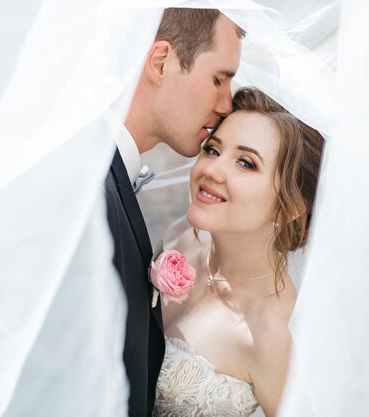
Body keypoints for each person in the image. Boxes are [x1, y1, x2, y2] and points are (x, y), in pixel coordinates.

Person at [104, 8, 245, 417]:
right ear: (161, 61)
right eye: (219, 78)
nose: (225, 105)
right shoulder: (93, 192)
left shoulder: (106, 177)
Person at [153, 87, 325, 417]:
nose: (212, 171)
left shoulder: (274, 333)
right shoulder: (186, 241)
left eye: (246, 163)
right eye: (213, 150)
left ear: (289, 209)